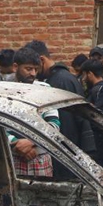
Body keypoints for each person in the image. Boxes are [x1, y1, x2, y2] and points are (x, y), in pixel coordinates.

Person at [25, 40, 96, 177]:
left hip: (66, 156)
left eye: (35, 67)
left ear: (41, 60)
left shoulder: (60, 82)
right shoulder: (60, 79)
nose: (34, 73)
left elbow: (66, 126)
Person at [9, 47, 60, 177]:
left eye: (36, 69)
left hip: (40, 157)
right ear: (16, 67)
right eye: (28, 68)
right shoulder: (4, 90)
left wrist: (31, 142)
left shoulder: (45, 90)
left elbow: (54, 125)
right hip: (12, 158)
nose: (33, 73)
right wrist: (16, 143)